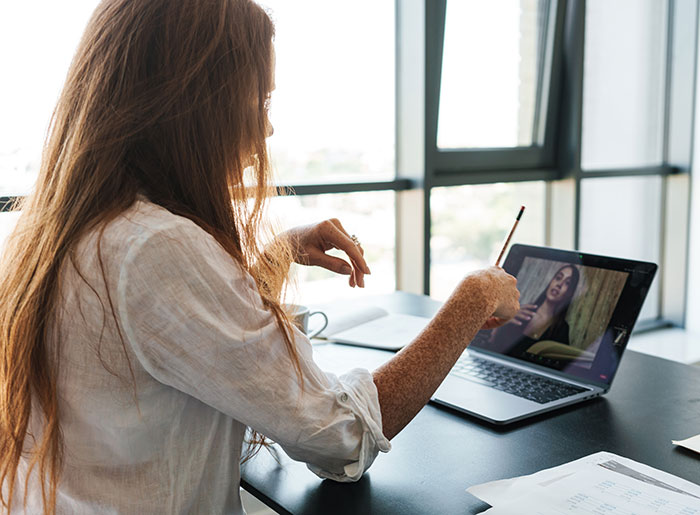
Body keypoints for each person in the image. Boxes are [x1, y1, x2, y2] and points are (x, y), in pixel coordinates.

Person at [0, 1, 520, 513]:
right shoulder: (156, 247)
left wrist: (276, 254)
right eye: (260, 103)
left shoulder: (53, 229)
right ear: (195, 104)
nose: (266, 131)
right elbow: (342, 435)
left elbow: (178, 343)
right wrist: (474, 295)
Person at [488, 264, 580, 359]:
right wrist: (501, 322)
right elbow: (491, 343)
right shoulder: (520, 311)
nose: (559, 284)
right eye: (558, 278)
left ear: (570, 293)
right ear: (551, 281)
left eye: (567, 283)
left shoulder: (562, 329)